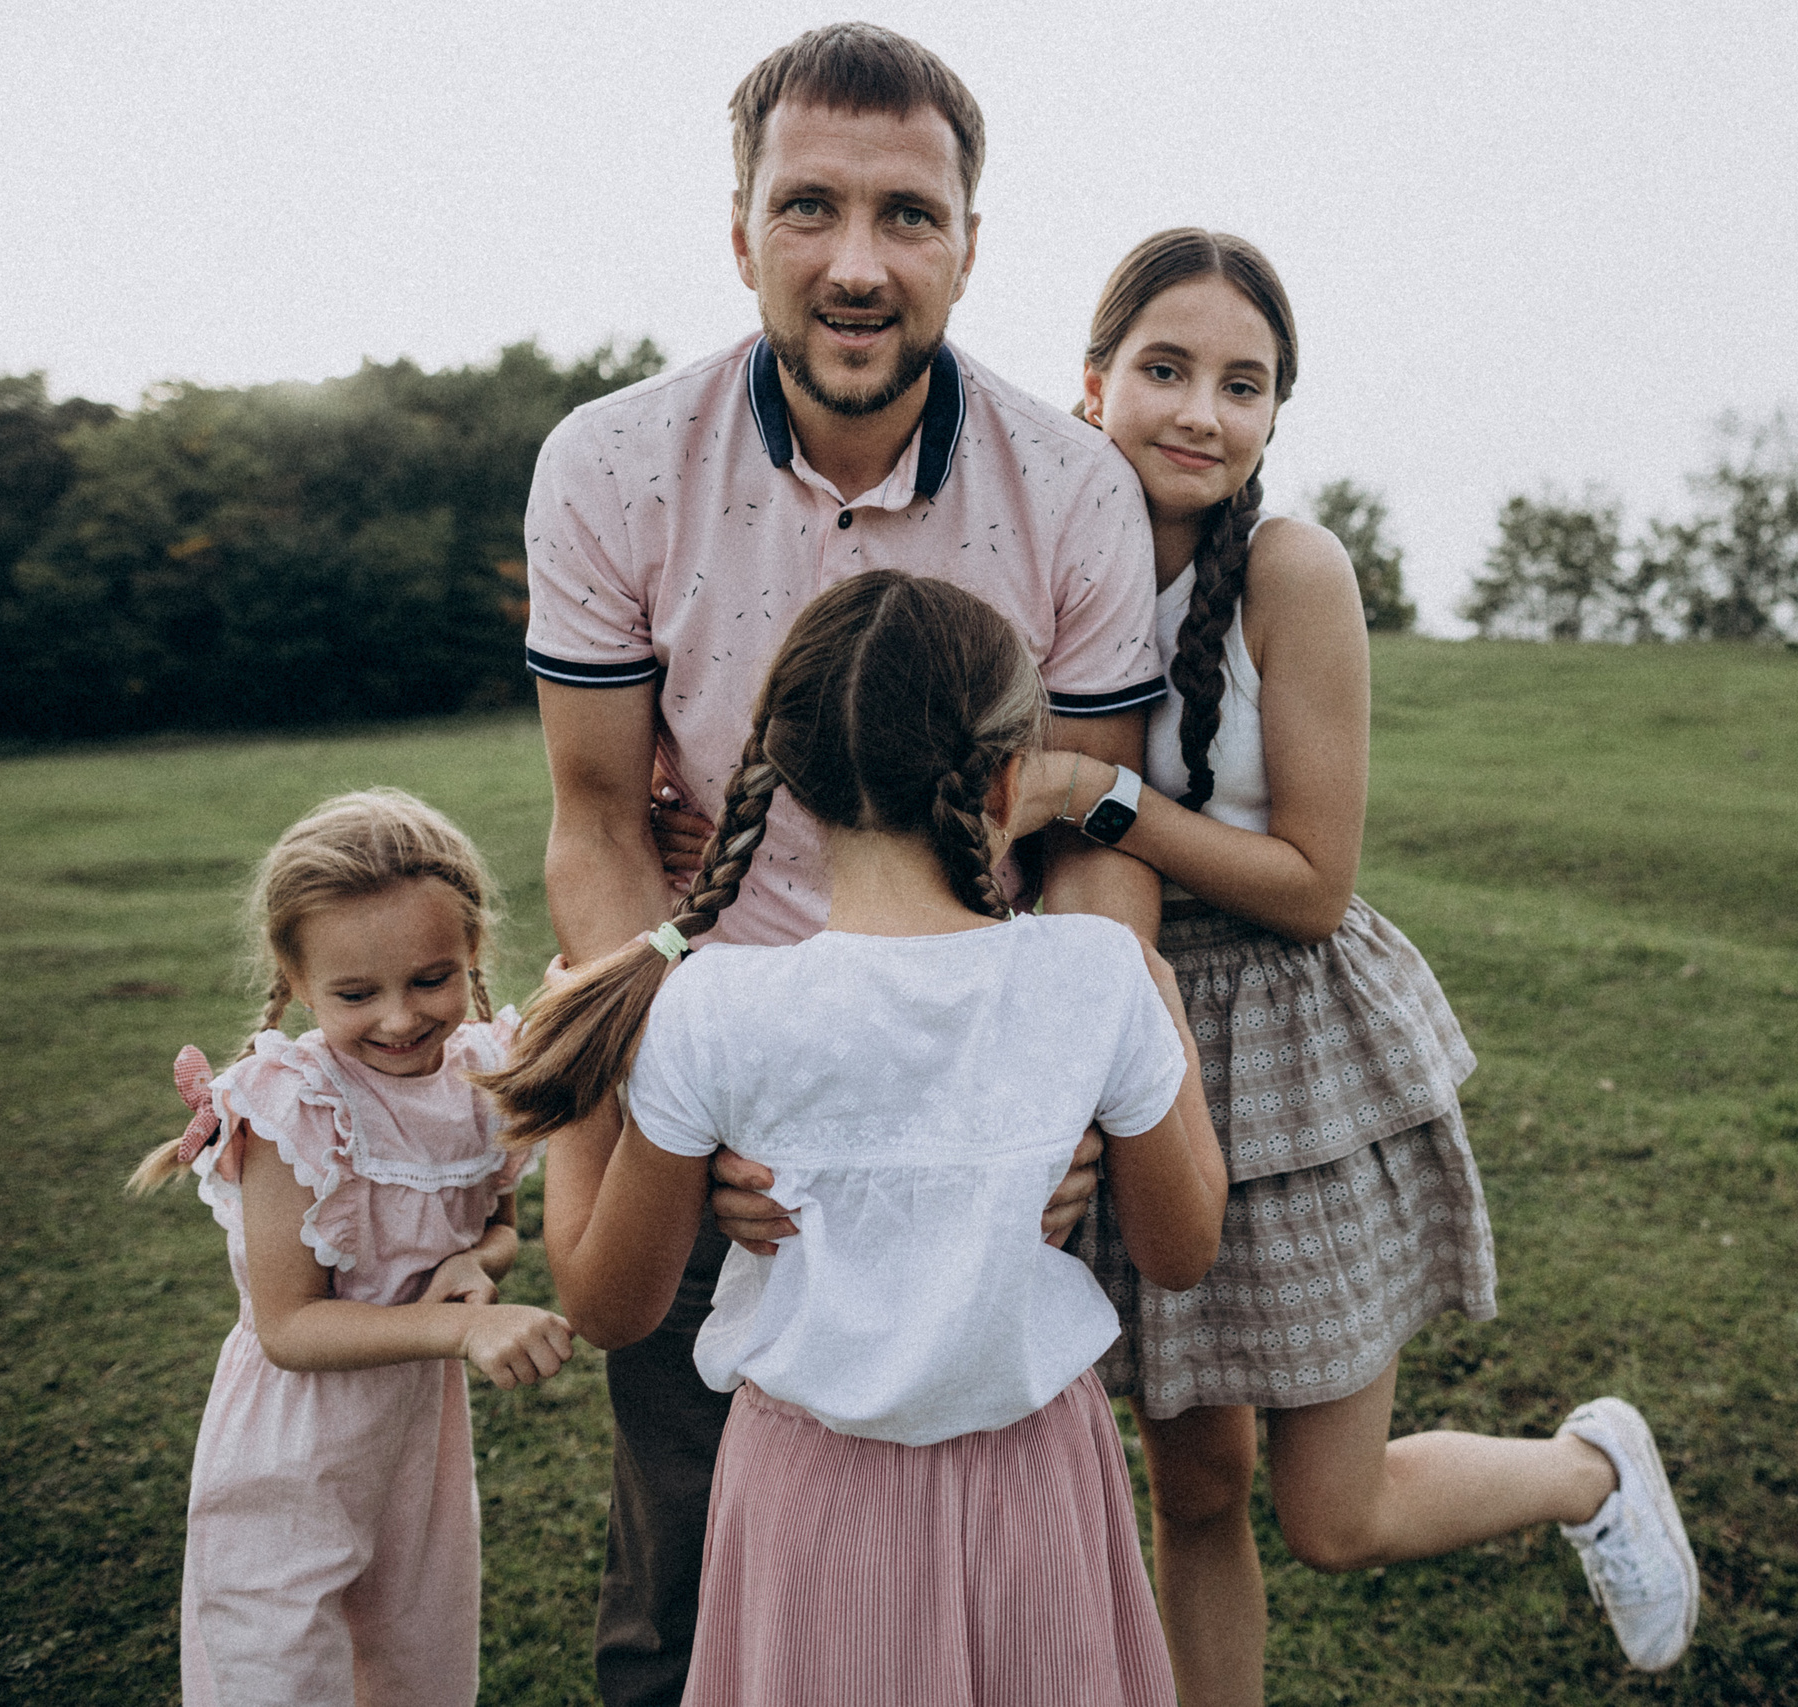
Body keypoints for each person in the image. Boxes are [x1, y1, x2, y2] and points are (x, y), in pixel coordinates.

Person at [517, 24, 1164, 1702]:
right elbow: (598, 819)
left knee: (1007, 1580)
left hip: (987, 1101)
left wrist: (1072, 1111)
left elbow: (1094, 829)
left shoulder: (1074, 487)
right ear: (740, 230)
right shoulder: (606, 465)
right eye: (810, 208)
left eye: (910, 215)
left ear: (968, 239)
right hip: (710, 1069)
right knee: (689, 1578)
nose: (860, 264)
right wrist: (680, 1100)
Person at [1045, 229, 1702, 1695]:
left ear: (1277, 412)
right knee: (1193, 1493)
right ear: (1091, 385)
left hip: (1291, 1038)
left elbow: (1314, 884)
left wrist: (1099, 802)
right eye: (1164, 369)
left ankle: (1588, 1469)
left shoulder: (1293, 567)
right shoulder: (1044, 562)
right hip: (1123, 1012)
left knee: (1332, 1515)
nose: (1200, 411)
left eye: (1243, 382)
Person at [483, 572, 1225, 1706]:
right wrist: (1151, 995)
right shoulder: (1096, 973)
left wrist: (596, 1095)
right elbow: (1182, 1248)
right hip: (1038, 1487)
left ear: (787, 781)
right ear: (1011, 774)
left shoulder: (711, 1006)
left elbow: (604, 1306)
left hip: (808, 1504)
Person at [128, 788, 575, 1707]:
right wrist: (454, 1331)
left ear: (472, 953)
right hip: (290, 1444)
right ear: (296, 982)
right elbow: (290, 1326)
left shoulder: (484, 1076)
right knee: (280, 1670)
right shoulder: (299, 1103)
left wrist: (476, 1266)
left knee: (413, 1661)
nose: (402, 1019)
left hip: (416, 1435)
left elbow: (499, 1228)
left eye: (430, 978)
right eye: (356, 993)